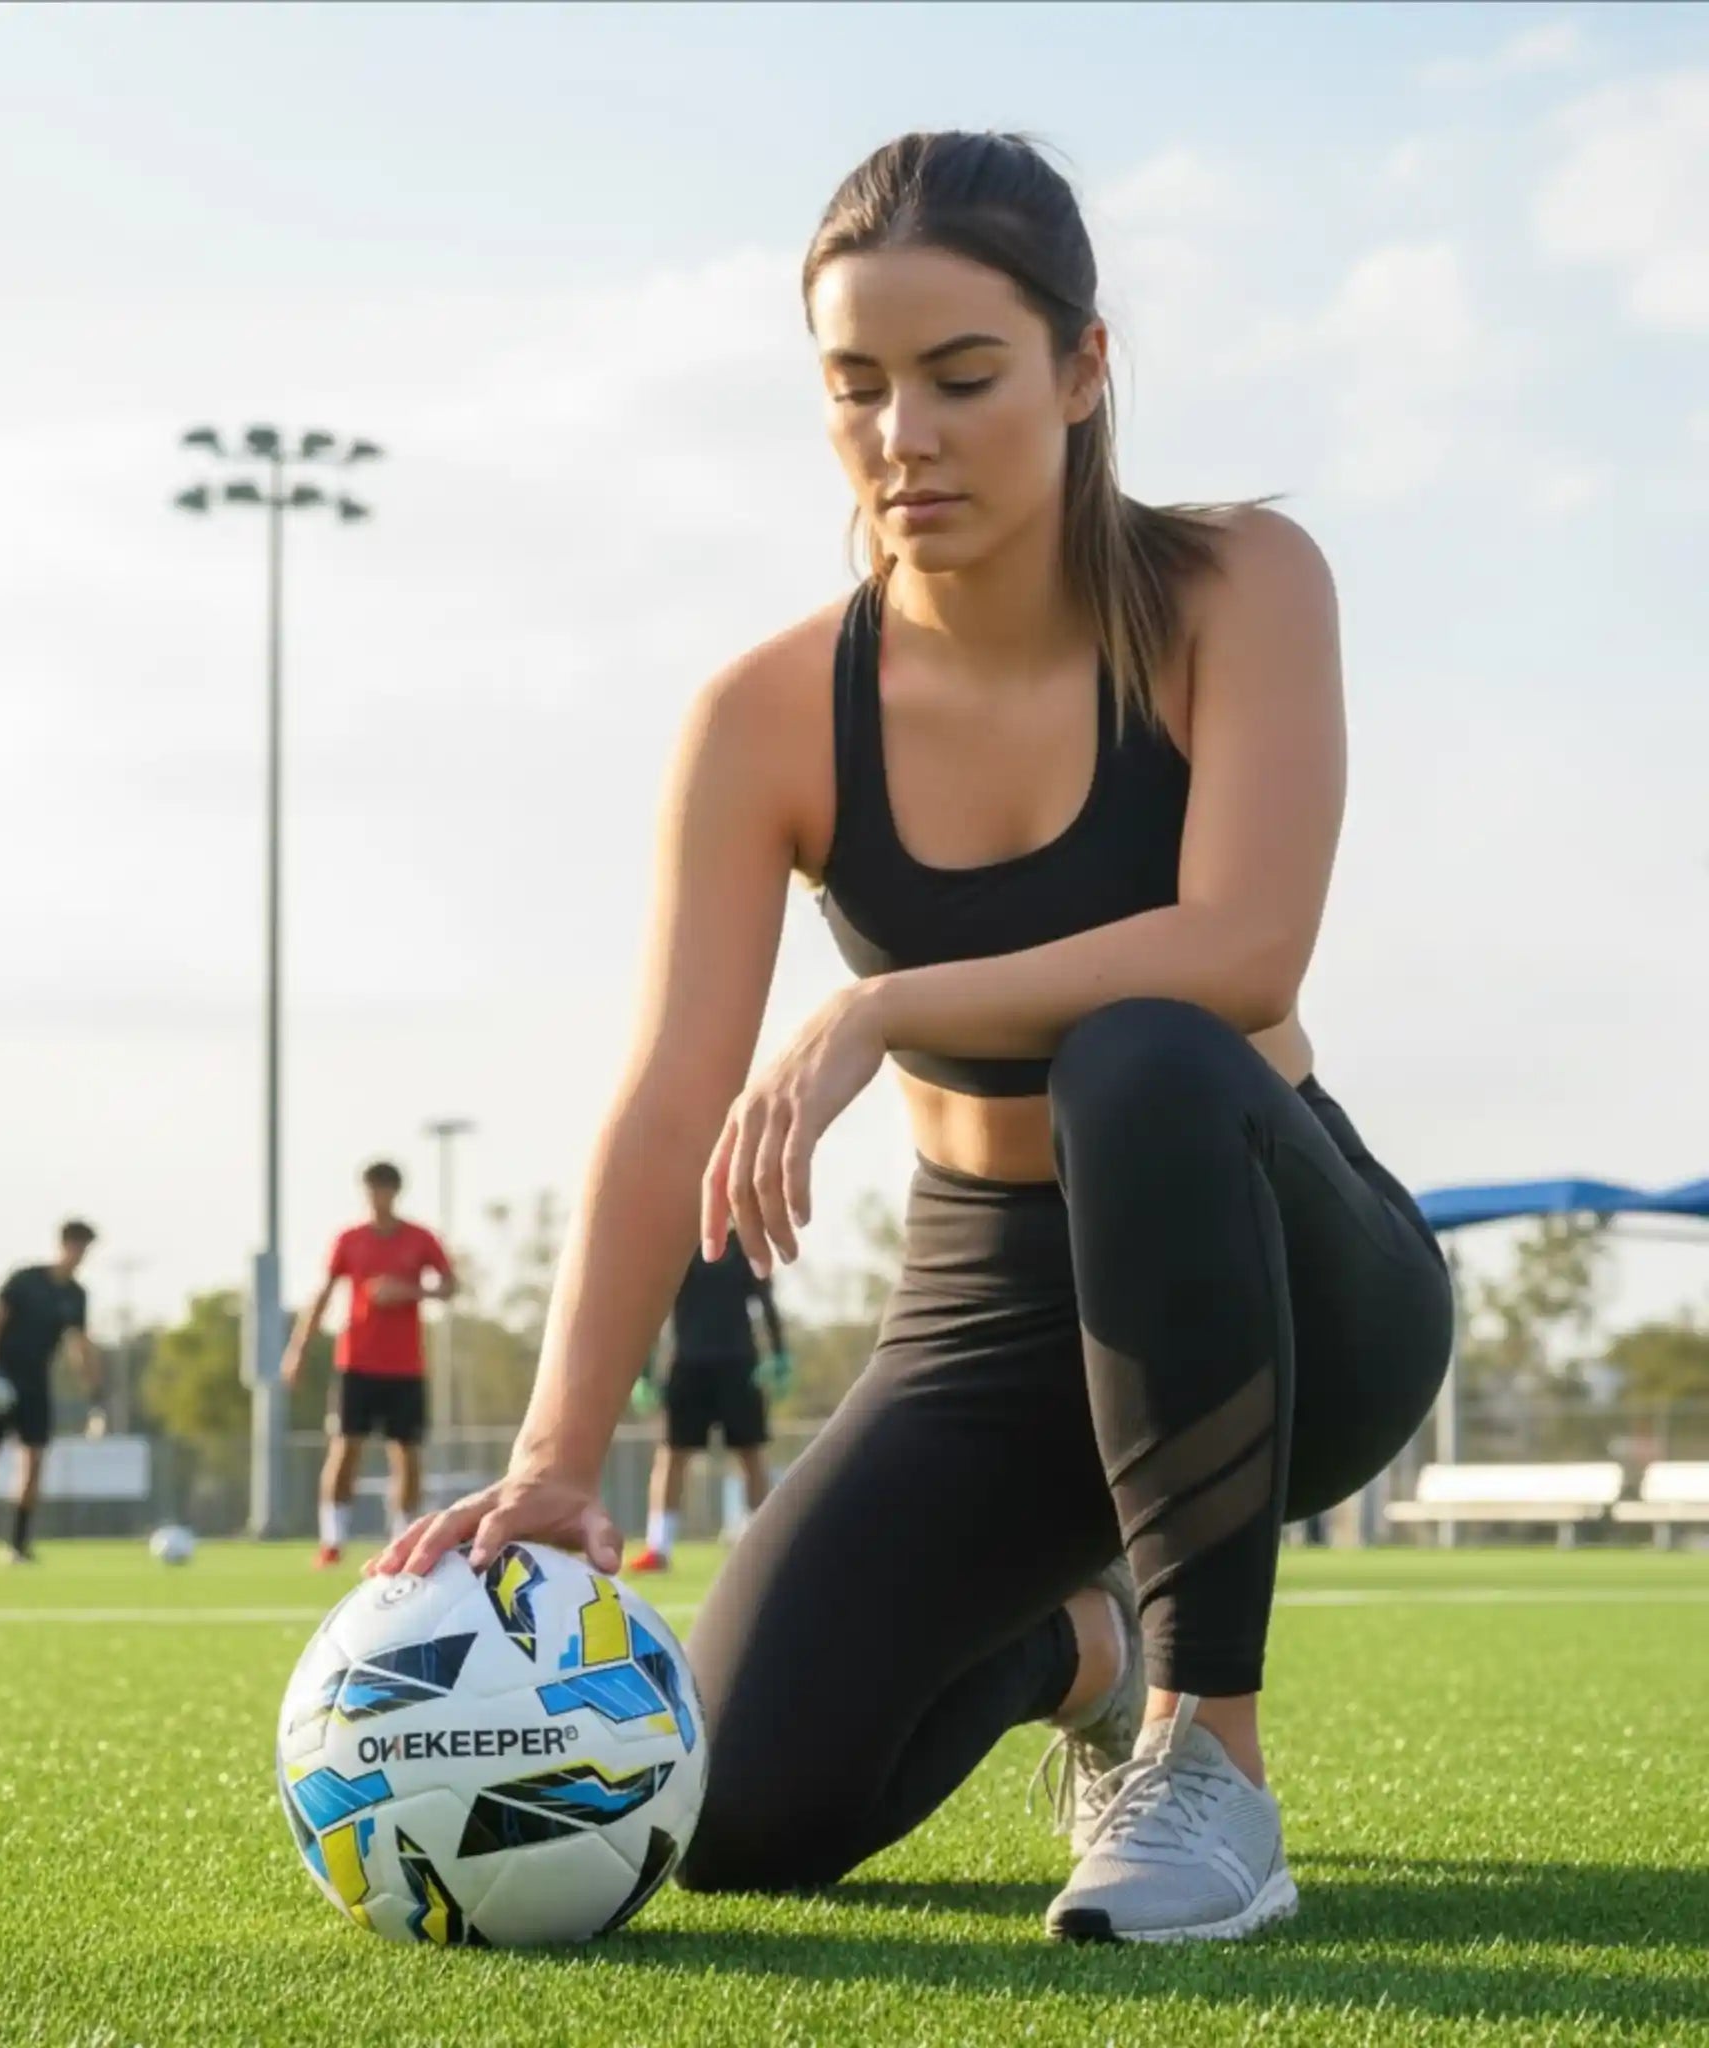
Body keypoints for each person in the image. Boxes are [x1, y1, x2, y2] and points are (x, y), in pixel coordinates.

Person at [375, 130, 1455, 1945]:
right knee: (733, 1805)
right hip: (989, 1311)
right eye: (854, 386)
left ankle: (1209, 1760)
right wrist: (561, 1454)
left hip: (1279, 1283)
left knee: (1136, 1046)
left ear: (1081, 369)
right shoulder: (767, 714)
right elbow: (667, 1100)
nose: (905, 436)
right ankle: (1086, 1645)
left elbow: (1244, 947)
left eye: (961, 377)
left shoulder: (1238, 586)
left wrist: (886, 998)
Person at [283, 1161, 455, 1568]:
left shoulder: (420, 1239)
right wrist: (298, 1349)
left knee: (407, 1455)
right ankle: (332, 1540)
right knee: (346, 1449)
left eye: (384, 1189)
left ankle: (403, 1538)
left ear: (396, 1192)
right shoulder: (349, 1240)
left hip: (406, 1367)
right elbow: (323, 1294)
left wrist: (408, 1291)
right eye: (372, 1189)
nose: (378, 1197)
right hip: (357, 1364)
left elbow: (449, 1286)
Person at [626, 1236, 790, 1572]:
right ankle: (659, 1547)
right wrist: (645, 1370)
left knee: (751, 1453)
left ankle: (761, 1544)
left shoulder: (744, 1244)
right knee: (672, 1455)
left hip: (739, 1365)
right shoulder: (677, 1243)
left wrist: (779, 1354)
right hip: (687, 1365)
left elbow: (765, 1300)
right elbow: (655, 1307)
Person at [0, 1220, 102, 1567]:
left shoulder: (75, 1295)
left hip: (36, 1383)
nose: (80, 1255)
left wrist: (95, 1394)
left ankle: (17, 1545)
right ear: (63, 1244)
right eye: (76, 1246)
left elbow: (79, 1346)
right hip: (0, 1378)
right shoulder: (25, 1280)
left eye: (85, 1249)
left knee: (33, 1461)